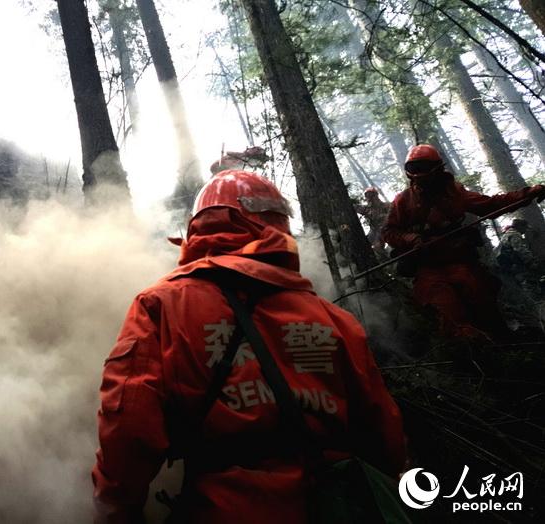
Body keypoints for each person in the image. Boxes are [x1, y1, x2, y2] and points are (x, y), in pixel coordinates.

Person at [93, 170, 405, 523]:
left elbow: (129, 428)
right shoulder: (333, 319)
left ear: (199, 229)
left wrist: (117, 511)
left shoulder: (162, 306)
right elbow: (385, 437)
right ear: (276, 224)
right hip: (341, 505)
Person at [381, 144, 545, 340]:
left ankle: (501, 341)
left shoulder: (455, 193)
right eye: (414, 168)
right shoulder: (403, 201)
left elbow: (491, 204)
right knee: (445, 309)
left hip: (459, 260)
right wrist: (412, 238)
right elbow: (388, 232)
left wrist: (528, 194)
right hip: (428, 267)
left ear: (437, 168)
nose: (419, 173)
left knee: (480, 296)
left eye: (423, 167)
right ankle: (470, 351)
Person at [355, 187, 390, 257]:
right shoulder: (367, 209)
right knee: (363, 244)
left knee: (377, 246)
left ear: (376, 195)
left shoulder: (386, 205)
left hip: (385, 230)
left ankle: (388, 259)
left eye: (371, 195)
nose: (369, 198)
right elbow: (356, 207)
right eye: (367, 196)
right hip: (374, 231)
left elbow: (392, 216)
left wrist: (383, 217)